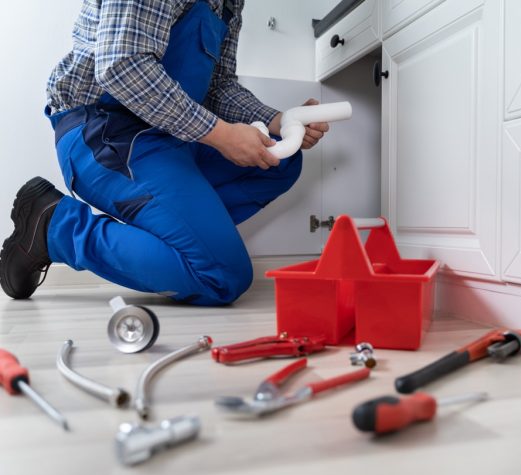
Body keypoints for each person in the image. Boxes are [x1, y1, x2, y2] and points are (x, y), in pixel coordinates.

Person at [0, 0, 329, 305]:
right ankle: (56, 228)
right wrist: (223, 135)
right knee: (222, 277)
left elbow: (218, 86)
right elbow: (121, 65)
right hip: (106, 132)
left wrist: (280, 121)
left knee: (277, 159)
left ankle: (172, 236)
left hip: (169, 134)